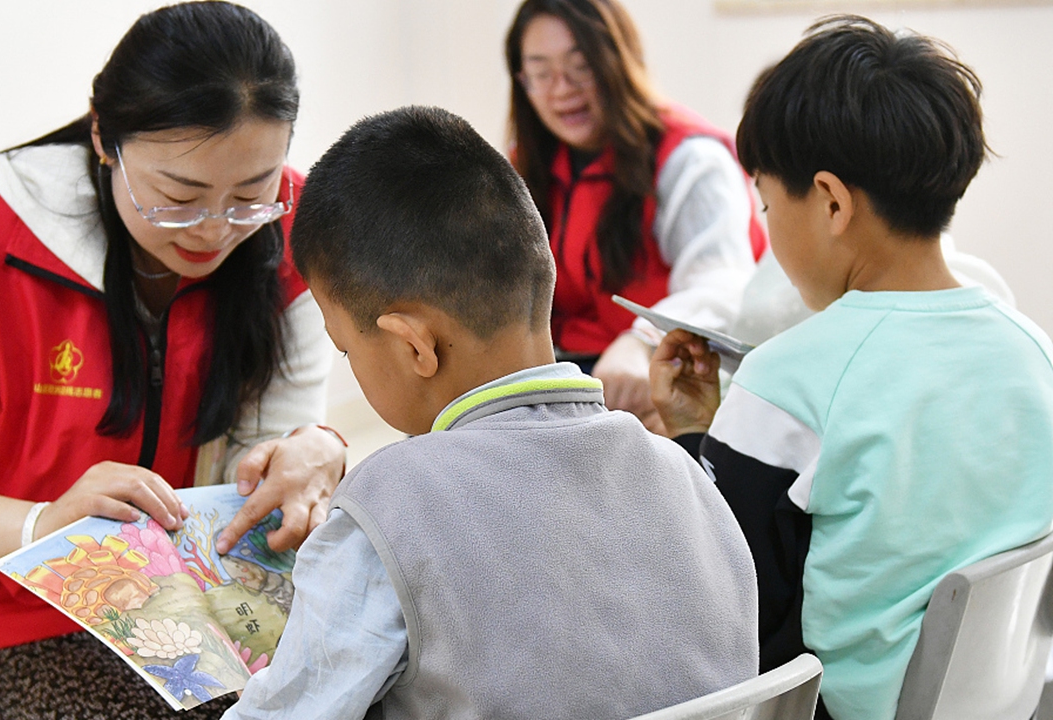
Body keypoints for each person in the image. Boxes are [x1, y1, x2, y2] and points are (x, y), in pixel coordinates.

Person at [0, 3, 346, 718]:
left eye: (249, 195)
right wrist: (41, 525)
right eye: (178, 197)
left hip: (194, 595)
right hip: (11, 611)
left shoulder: (291, 231)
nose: (215, 230)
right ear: (103, 139)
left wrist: (304, 454)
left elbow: (264, 451)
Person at [222, 105, 759, 720]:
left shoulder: (390, 506)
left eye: (347, 348)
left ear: (413, 344)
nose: (349, 361)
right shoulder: (687, 477)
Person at [648, 16, 1053, 720]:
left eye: (770, 205)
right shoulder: (1032, 350)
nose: (770, 230)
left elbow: (717, 597)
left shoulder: (789, 377)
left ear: (831, 202)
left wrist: (692, 441)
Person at [504, 0, 766, 431]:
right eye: (540, 71)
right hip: (571, 375)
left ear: (619, 63)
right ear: (522, 81)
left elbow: (723, 285)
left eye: (581, 66)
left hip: (665, 372)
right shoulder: (529, 166)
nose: (562, 88)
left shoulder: (689, 158)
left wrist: (642, 339)